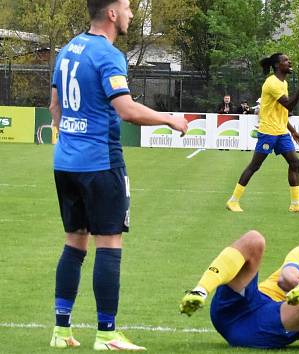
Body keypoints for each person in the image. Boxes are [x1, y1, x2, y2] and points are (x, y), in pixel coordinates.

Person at [48, 0, 188, 350]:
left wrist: (72, 136)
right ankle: (107, 334)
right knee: (108, 243)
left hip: (66, 163)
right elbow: (126, 111)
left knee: (74, 242)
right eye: (126, 7)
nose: (131, 13)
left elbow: (55, 107)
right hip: (100, 163)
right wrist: (170, 119)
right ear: (111, 14)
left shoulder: (67, 50)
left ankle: (60, 331)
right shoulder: (107, 54)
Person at [179, 230, 299, 349]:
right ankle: (200, 291)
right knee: (254, 239)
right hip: (239, 305)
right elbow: (286, 278)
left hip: (256, 330)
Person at [226, 53, 299, 213]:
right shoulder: (272, 83)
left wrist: (292, 131)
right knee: (255, 166)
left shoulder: (283, 83)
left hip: (281, 132)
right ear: (277, 65)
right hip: (268, 132)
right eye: (286, 60)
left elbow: (281, 111)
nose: (289, 62)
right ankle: (233, 201)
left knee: (295, 163)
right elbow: (289, 106)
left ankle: (295, 204)